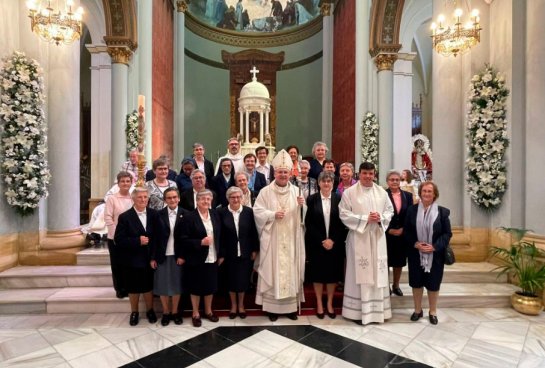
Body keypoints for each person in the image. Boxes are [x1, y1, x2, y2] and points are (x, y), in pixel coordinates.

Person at [253, 149, 306, 321]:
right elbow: (257, 212)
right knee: (273, 270)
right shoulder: (265, 192)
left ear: (290, 173)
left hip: (291, 238)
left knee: (290, 270)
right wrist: (272, 214)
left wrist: (302, 207)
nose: (283, 174)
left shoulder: (297, 191)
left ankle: (290, 308)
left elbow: (304, 218)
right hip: (273, 238)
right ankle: (272, 309)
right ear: (274, 172)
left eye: (286, 172)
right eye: (280, 171)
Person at [339, 162, 394, 325]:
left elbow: (389, 211)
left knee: (377, 272)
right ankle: (357, 312)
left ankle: (377, 312)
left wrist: (381, 218)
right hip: (359, 237)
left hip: (377, 237)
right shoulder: (350, 193)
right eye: (365, 173)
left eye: (371, 173)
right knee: (359, 272)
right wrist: (365, 219)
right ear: (359, 174)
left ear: (374, 174)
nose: (368, 176)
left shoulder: (381, 192)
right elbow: (343, 213)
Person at [404, 182, 452, 325]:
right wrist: (415, 243)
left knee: (433, 284)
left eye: (429, 191)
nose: (426, 194)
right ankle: (418, 310)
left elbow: (447, 234)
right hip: (416, 254)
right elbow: (407, 232)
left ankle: (432, 311)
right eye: (424, 191)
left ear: (434, 194)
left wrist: (434, 247)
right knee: (416, 283)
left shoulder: (443, 212)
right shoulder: (411, 211)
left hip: (435, 255)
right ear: (420, 193)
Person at [305, 171, 347, 319]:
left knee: (332, 275)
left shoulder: (339, 198)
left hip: (334, 244)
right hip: (317, 244)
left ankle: (329, 303)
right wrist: (322, 240)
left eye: (329, 181)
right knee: (318, 275)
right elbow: (309, 223)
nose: (326, 184)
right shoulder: (311, 199)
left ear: (333, 183)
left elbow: (343, 223)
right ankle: (319, 303)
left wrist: (332, 240)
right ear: (319, 183)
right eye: (323, 181)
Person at [114, 187, 158, 326]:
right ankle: (134, 312)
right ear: (133, 199)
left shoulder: (154, 215)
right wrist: (137, 241)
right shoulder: (125, 217)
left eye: (145, 197)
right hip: (132, 258)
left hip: (149, 258)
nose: (143, 199)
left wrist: (154, 257)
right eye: (140, 197)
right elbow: (118, 240)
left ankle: (150, 310)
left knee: (148, 286)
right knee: (133, 287)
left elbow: (159, 237)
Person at [179, 189, 223, 327]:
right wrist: (200, 242)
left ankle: (208, 311)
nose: (206, 201)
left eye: (208, 199)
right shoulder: (189, 217)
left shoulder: (215, 215)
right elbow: (182, 239)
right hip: (196, 257)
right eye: (203, 199)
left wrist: (220, 254)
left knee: (210, 286)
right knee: (196, 286)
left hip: (212, 256)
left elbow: (221, 236)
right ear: (197, 201)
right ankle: (196, 313)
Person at [219, 186, 259, 319]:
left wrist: (254, 249)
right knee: (231, 280)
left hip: (245, 252)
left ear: (242, 198)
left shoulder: (249, 212)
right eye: (232, 197)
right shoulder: (221, 212)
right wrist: (222, 254)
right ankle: (233, 306)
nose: (235, 199)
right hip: (228, 253)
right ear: (228, 199)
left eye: (238, 197)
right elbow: (220, 236)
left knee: (242, 280)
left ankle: (241, 305)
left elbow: (254, 232)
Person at [150, 187, 187, 326]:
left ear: (178, 198)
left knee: (177, 285)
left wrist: (183, 255)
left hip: (178, 256)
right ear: (165, 200)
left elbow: (186, 238)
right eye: (169, 198)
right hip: (162, 255)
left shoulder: (186, 214)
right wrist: (153, 257)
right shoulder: (157, 215)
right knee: (163, 285)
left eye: (174, 197)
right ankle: (166, 312)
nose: (172, 200)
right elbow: (153, 238)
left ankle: (175, 311)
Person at [104, 171, 134, 299]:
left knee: (129, 263)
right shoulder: (112, 198)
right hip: (115, 237)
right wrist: (117, 234)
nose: (125, 183)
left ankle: (129, 286)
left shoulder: (133, 198)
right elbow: (108, 217)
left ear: (131, 182)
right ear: (118, 183)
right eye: (123, 181)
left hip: (130, 237)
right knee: (117, 264)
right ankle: (120, 288)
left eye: (128, 181)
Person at [385, 170, 414, 297]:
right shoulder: (382, 195)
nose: (395, 182)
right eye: (392, 180)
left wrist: (403, 229)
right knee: (385, 261)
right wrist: (388, 229)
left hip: (402, 234)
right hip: (386, 234)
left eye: (397, 179)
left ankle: (396, 285)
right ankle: (386, 285)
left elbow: (410, 215)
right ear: (387, 182)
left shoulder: (407, 196)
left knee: (399, 262)